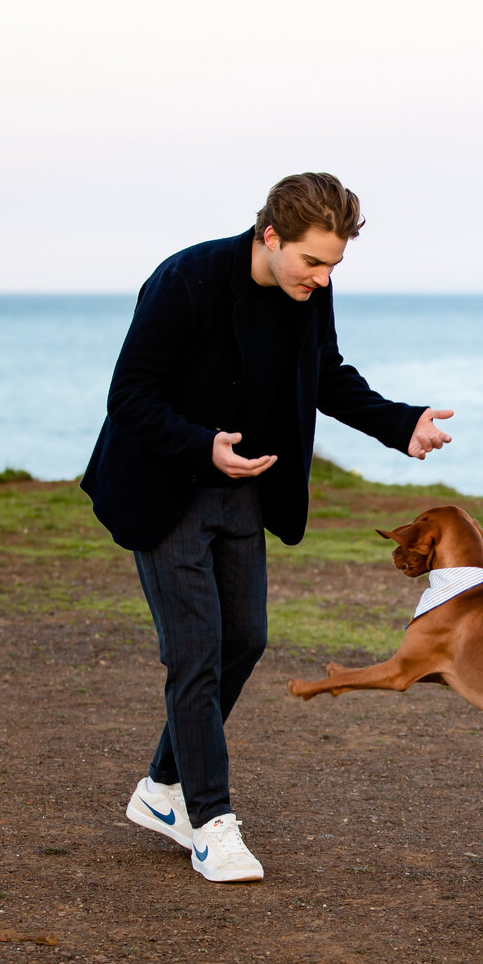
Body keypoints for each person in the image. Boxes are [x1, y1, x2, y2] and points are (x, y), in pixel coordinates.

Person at [81, 172, 453, 883]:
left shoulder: (308, 292)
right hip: (165, 484)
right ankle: (211, 824)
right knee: (195, 649)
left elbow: (326, 374)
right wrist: (200, 444)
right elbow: (128, 394)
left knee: (245, 640)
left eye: (334, 266)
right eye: (312, 261)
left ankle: (161, 789)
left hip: (243, 489)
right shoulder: (185, 280)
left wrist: (399, 422)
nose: (321, 277)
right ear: (271, 235)